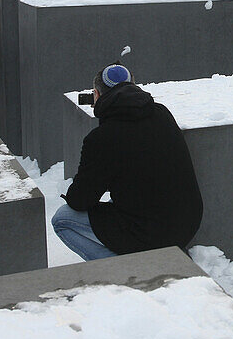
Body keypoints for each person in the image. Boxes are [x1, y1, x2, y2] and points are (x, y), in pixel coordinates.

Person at [51, 63, 203, 261]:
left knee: (62, 219)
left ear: (96, 95)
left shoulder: (101, 138)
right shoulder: (162, 113)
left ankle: (124, 269)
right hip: (187, 225)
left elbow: (79, 200)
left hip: (152, 234)